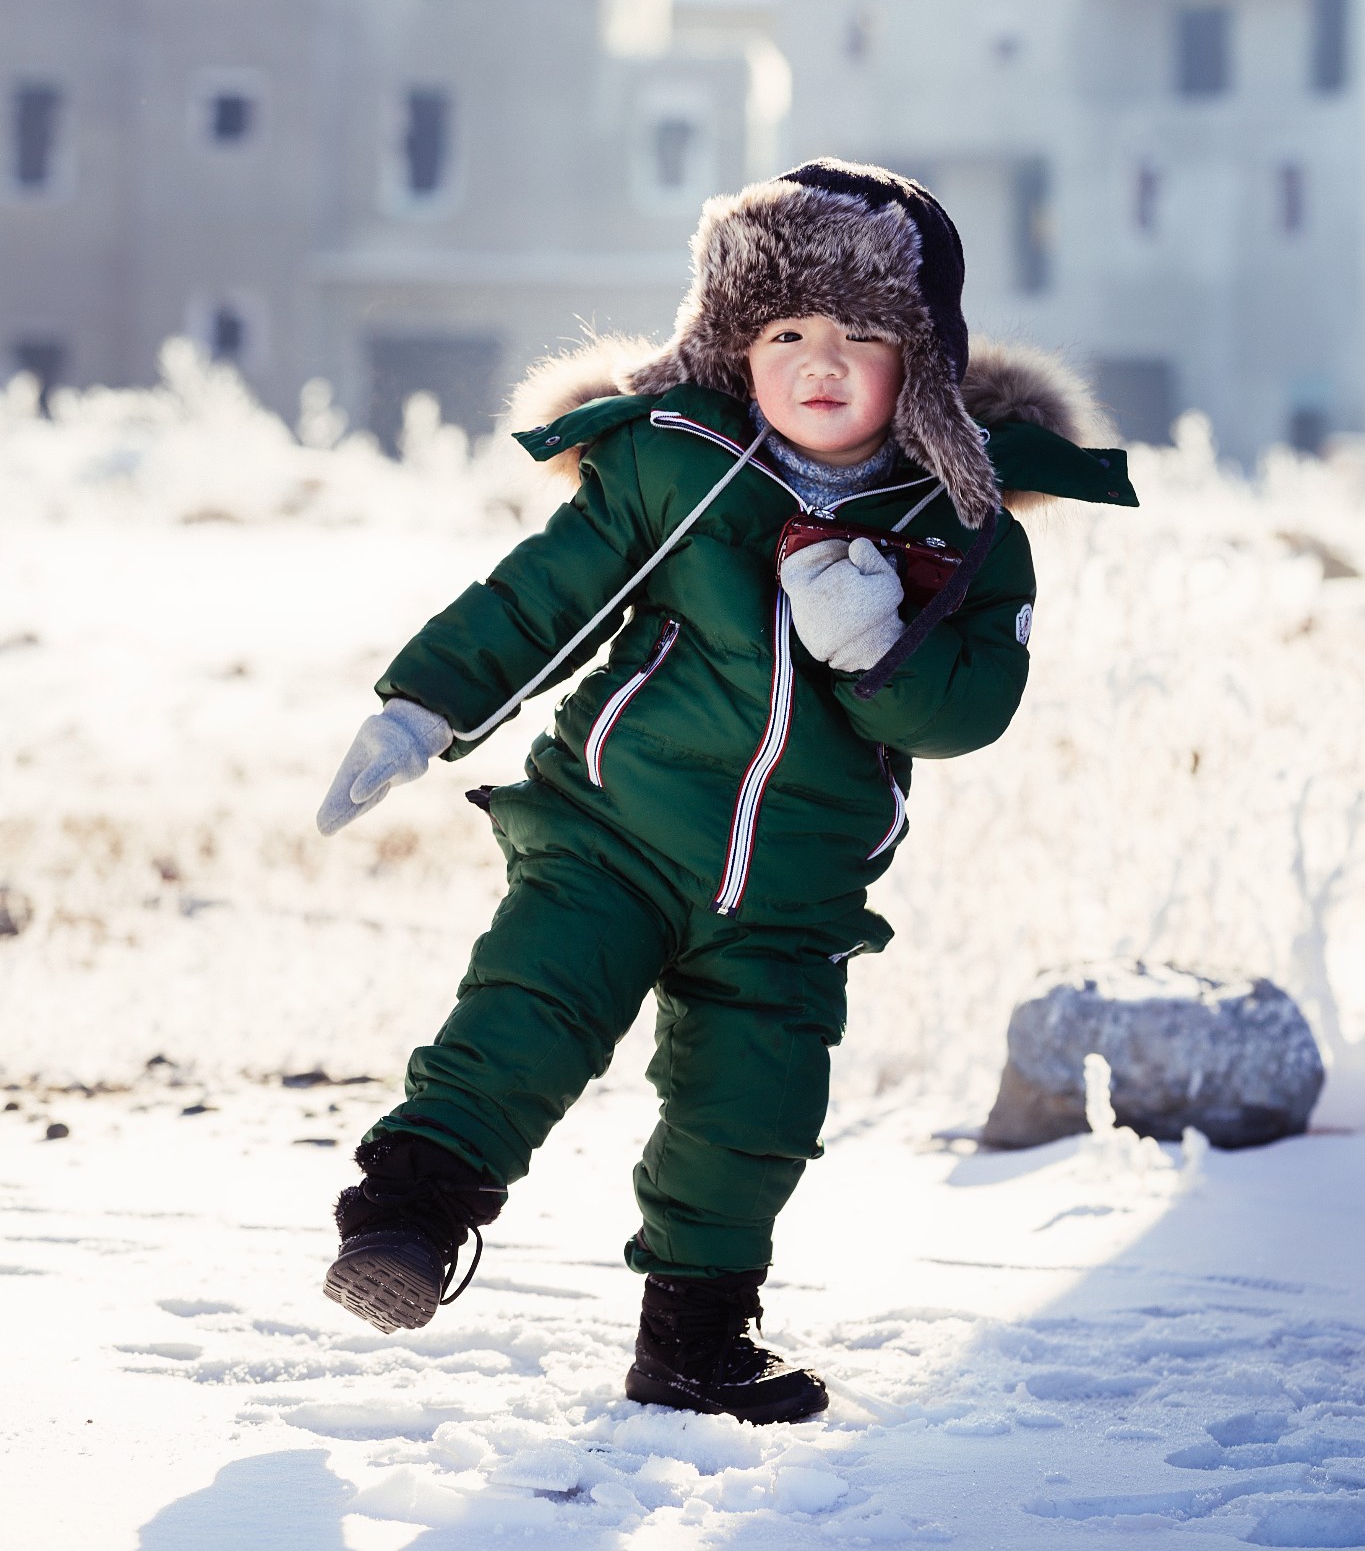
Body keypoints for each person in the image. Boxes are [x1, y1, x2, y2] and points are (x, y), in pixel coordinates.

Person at [315, 158, 1136, 1425]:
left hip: (798, 886)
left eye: (863, 333)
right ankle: (408, 1216)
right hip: (616, 830)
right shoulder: (671, 463)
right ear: (730, 343)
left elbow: (974, 707)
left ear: (918, 360)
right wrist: (426, 706)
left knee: (751, 1114)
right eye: (787, 330)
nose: (821, 359)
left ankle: (695, 1335)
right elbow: (543, 599)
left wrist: (874, 646)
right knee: (528, 1014)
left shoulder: (967, 524)